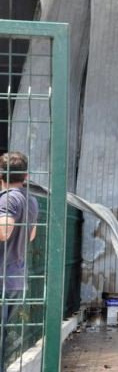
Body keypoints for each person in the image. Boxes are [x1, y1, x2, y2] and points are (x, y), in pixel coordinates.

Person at [0, 152, 39, 372]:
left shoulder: (8, 198)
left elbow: (4, 231)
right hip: (15, 277)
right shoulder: (30, 200)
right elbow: (31, 236)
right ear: (25, 175)